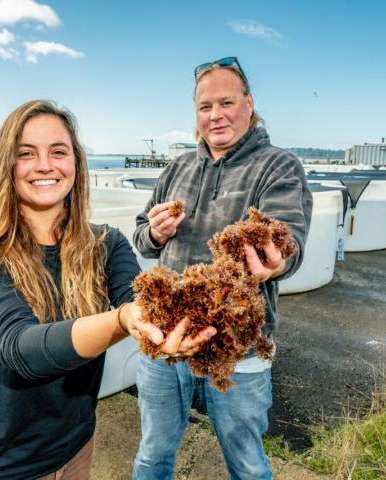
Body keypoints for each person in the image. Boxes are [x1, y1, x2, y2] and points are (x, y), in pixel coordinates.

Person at [0, 100, 215, 480]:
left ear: (76, 163)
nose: (45, 165)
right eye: (26, 153)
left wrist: (166, 321)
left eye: (58, 151)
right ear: (6, 165)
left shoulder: (107, 243)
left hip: (75, 445)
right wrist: (122, 320)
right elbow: (22, 348)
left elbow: (137, 301)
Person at [132, 57, 313, 479]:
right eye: (204, 106)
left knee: (247, 464)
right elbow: (141, 235)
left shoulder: (278, 166)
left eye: (226, 102)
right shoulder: (176, 168)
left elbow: (290, 243)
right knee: (152, 454)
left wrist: (274, 262)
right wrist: (155, 234)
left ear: (249, 103)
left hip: (240, 352)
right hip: (166, 343)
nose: (215, 116)